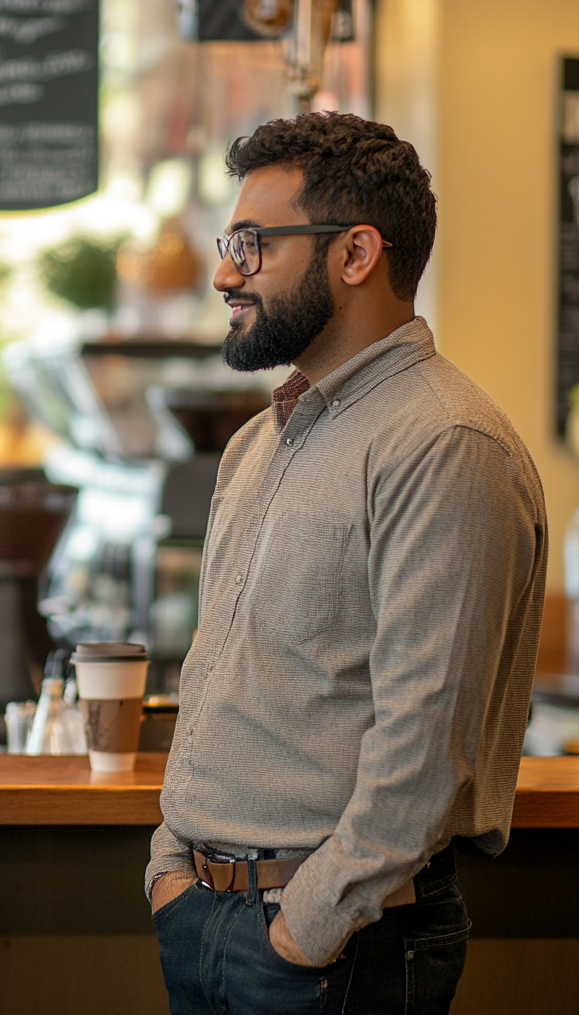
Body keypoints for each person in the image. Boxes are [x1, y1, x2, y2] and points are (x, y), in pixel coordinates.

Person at [146, 113, 547, 1014]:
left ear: (356, 253)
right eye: (227, 243)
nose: (223, 274)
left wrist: (304, 929)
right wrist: (172, 865)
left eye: (251, 245)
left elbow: (425, 740)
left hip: (339, 947)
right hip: (205, 915)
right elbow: (219, 673)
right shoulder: (259, 440)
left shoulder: (445, 442)